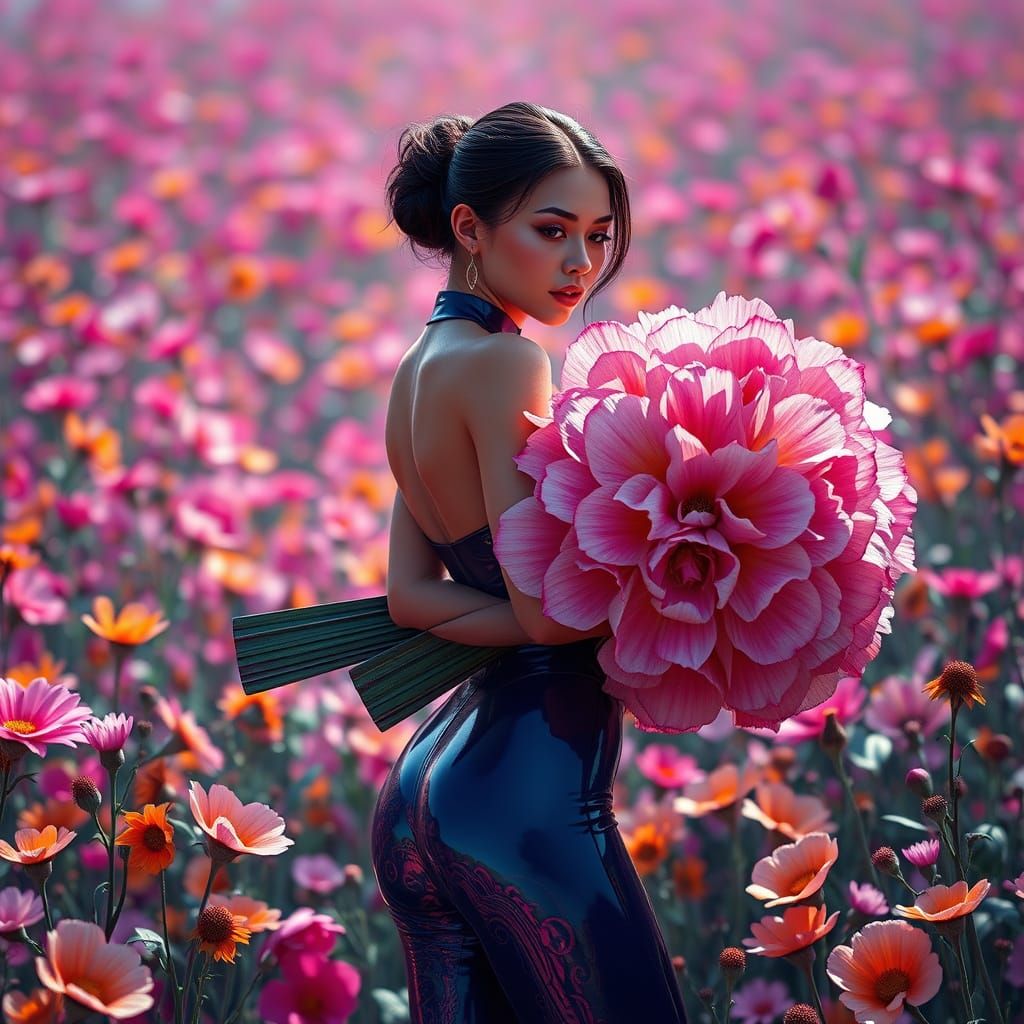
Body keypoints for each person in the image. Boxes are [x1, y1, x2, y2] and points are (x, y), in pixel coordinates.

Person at [369, 101, 688, 1023]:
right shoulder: (510, 366)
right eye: (552, 232)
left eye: (596, 236)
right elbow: (547, 612)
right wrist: (648, 594)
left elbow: (407, 594)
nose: (579, 264)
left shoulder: (417, 369)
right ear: (468, 229)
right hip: (525, 791)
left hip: (425, 789)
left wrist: (504, 623)